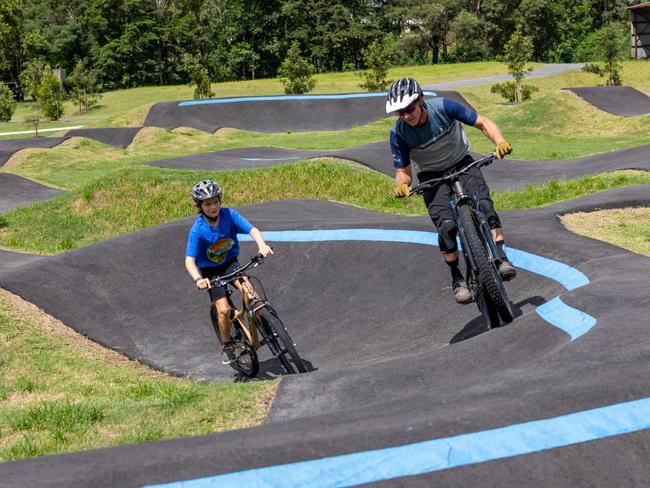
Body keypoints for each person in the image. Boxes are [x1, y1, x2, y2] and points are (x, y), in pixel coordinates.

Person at [387, 77, 517, 304]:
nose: (406, 115)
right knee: (446, 229)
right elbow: (403, 172)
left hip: (462, 163)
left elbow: (483, 122)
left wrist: (499, 141)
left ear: (420, 100)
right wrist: (401, 185)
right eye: (399, 112)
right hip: (431, 176)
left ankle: (501, 256)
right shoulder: (398, 133)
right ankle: (457, 278)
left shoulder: (445, 107)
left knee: (485, 206)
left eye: (409, 108)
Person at [184, 179, 273, 364]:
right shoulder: (197, 230)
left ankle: (268, 324)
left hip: (230, 263)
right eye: (207, 204)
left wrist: (262, 245)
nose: (213, 207)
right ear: (199, 206)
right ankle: (227, 344)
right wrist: (198, 279)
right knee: (223, 310)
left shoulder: (229, 215)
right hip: (210, 272)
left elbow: (253, 230)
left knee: (250, 291)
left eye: (215, 201)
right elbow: (189, 260)